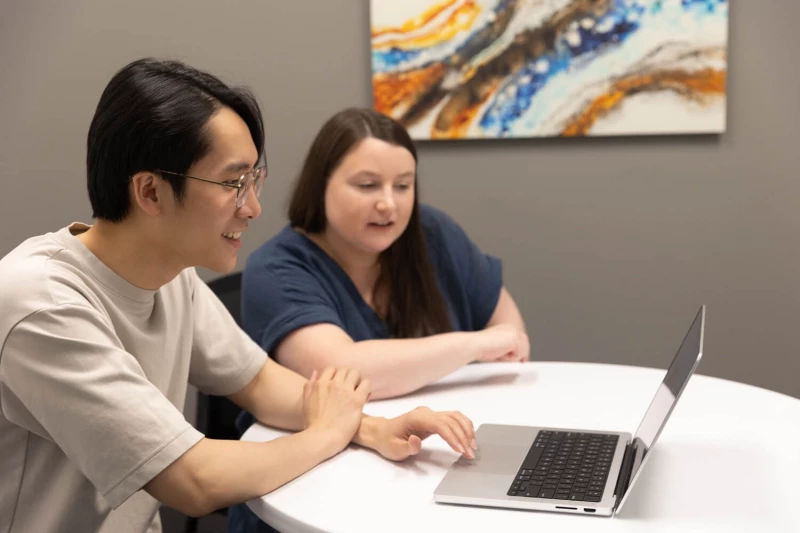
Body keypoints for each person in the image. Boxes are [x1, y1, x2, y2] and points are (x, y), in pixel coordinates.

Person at [0, 59, 478, 533]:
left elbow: (260, 384)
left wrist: (374, 428)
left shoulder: (172, 276)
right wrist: (328, 434)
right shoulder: (40, 303)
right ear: (150, 192)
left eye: (254, 179)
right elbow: (194, 479)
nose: (252, 207)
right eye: (233, 183)